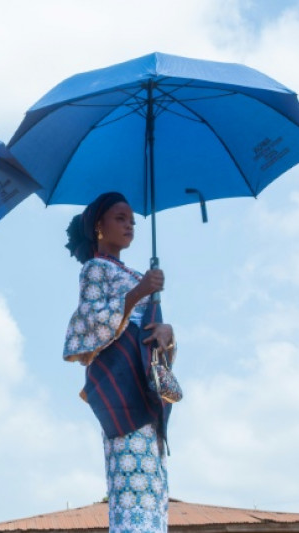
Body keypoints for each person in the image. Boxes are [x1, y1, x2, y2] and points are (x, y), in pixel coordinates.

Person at [63, 192, 176, 533]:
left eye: (133, 221)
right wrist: (139, 292)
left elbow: (152, 336)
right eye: (120, 218)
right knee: (130, 480)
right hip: (121, 385)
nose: (129, 226)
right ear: (99, 226)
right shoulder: (94, 269)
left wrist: (167, 333)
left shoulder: (138, 274)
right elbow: (90, 324)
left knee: (153, 484)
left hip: (145, 383)